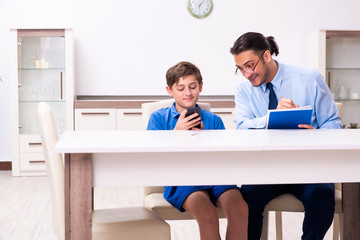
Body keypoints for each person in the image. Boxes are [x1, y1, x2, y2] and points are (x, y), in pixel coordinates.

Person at [229, 32, 342, 240]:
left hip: (307, 166)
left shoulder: (309, 78)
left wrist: (316, 135)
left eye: (250, 65)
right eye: (240, 68)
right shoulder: (244, 89)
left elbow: (334, 123)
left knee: (323, 198)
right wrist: (272, 118)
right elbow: (242, 128)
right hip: (267, 168)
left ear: (267, 56)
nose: (246, 73)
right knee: (246, 202)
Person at [147, 61, 248, 240]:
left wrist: (205, 141)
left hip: (215, 177)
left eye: (193, 87)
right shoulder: (158, 118)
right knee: (207, 213)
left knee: (239, 207)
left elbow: (223, 159)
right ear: (170, 91)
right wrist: (176, 134)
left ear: (200, 87)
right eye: (181, 88)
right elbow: (153, 158)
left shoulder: (214, 120)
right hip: (181, 180)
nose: (188, 93)